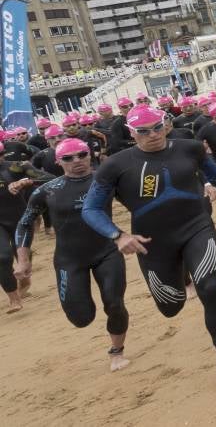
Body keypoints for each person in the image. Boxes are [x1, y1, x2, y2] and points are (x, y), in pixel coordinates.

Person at [82, 104, 216, 385]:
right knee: (170, 306)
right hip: (152, 242)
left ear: (166, 124)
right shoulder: (116, 165)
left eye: (158, 127)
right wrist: (119, 235)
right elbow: (91, 208)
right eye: (144, 131)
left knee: (209, 286)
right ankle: (182, 265)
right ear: (131, 132)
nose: (153, 135)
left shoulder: (190, 148)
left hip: (196, 227)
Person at [14, 138, 131, 371]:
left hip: (107, 252)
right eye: (68, 158)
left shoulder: (106, 180)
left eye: (82, 154)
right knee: (81, 318)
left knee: (115, 303)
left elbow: (140, 201)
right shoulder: (47, 190)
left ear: (90, 154)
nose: (76, 160)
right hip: (69, 259)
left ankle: (116, 351)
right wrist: (24, 259)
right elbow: (25, 223)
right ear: (58, 161)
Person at [2, 153, 56, 312]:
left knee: (21, 255)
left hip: (19, 219)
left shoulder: (17, 167)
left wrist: (25, 181)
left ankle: (25, 281)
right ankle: (14, 299)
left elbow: (51, 179)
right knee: (2, 257)